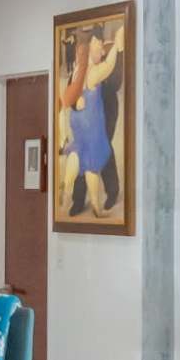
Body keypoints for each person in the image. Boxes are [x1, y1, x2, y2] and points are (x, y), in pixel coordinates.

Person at [58, 25, 124, 222]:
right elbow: (71, 96)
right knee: (86, 154)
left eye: (101, 44)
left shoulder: (99, 65)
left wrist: (118, 51)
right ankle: (79, 200)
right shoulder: (81, 69)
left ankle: (111, 192)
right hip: (87, 119)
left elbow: (116, 83)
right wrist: (78, 107)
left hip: (106, 112)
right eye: (97, 43)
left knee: (103, 150)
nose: (100, 48)